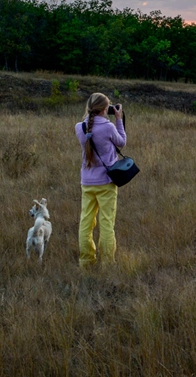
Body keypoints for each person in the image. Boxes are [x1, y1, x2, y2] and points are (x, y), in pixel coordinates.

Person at [74, 92, 127, 268]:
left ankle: (86, 262)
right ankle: (107, 263)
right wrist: (119, 119)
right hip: (106, 182)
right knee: (106, 223)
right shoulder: (108, 127)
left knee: (86, 223)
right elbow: (121, 142)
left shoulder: (80, 128)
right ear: (106, 109)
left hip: (87, 183)